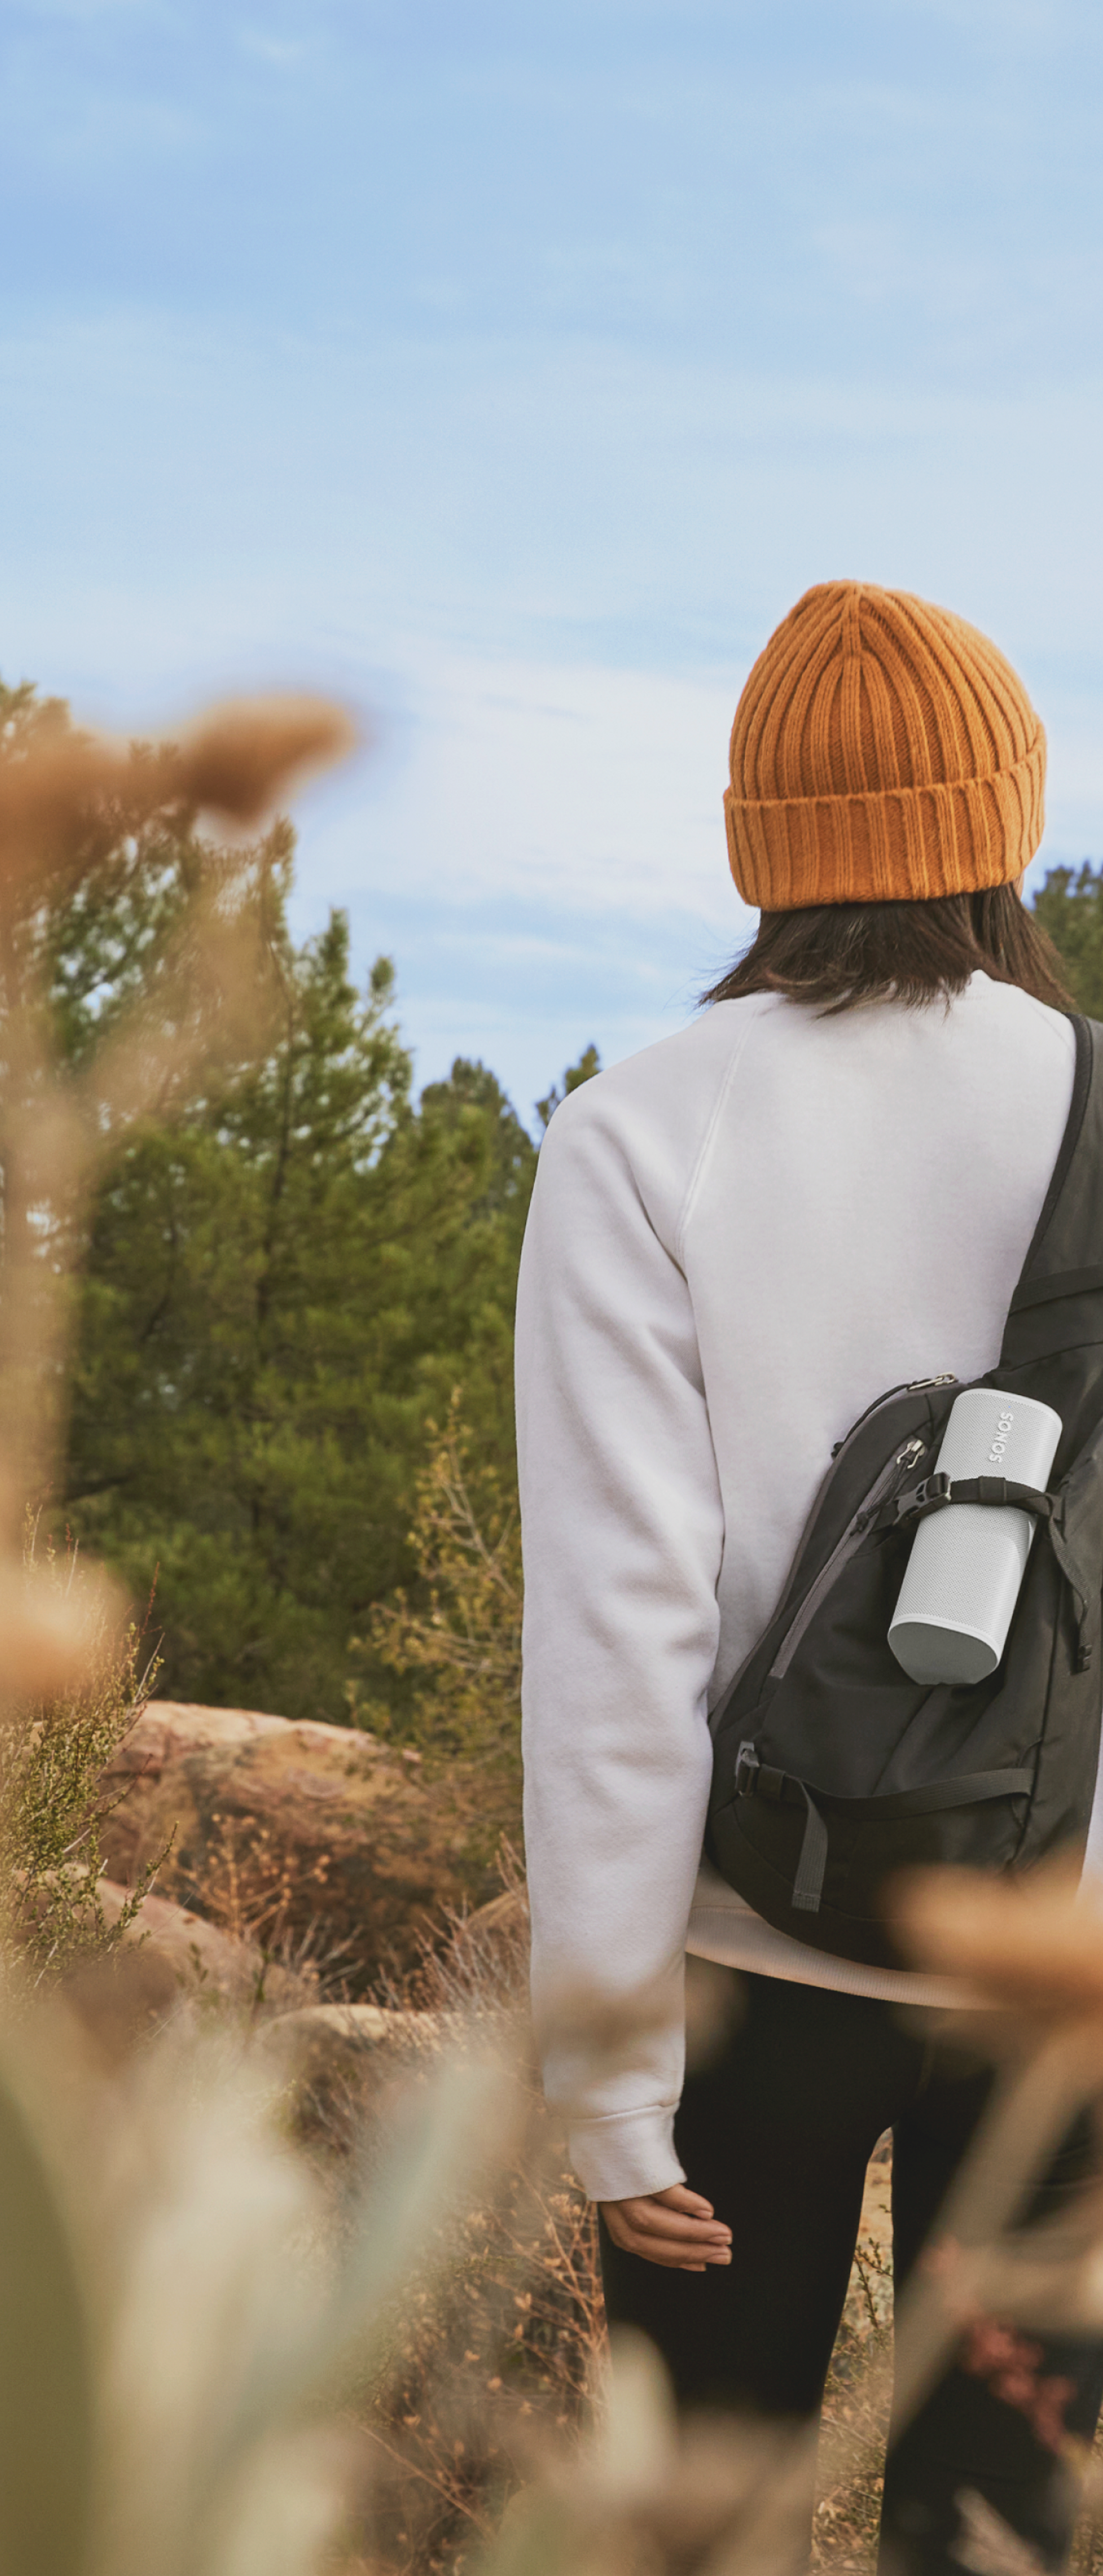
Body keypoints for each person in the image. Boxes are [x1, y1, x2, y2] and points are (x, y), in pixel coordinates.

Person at [515, 581, 1103, 2573]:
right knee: (1001, 2534)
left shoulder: (637, 1133)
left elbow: (624, 1625)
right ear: (1003, 819)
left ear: (761, 841)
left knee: (696, 2532)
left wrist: (607, 2081)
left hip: (746, 1955)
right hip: (1060, 1981)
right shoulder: (1098, 1109)